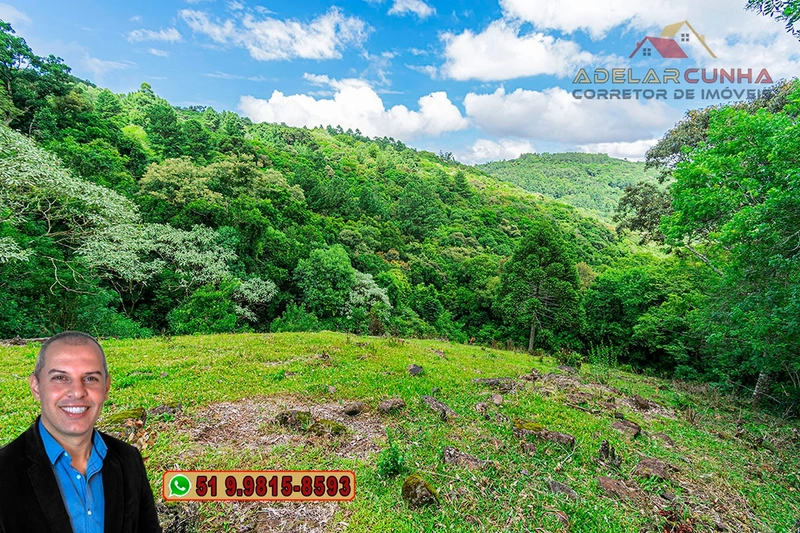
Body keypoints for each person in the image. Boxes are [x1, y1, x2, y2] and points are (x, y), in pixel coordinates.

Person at [0, 331, 162, 533]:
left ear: (106, 387)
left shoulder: (129, 460)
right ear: (36, 387)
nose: (77, 392)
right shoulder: (4, 471)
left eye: (91, 378)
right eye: (60, 377)